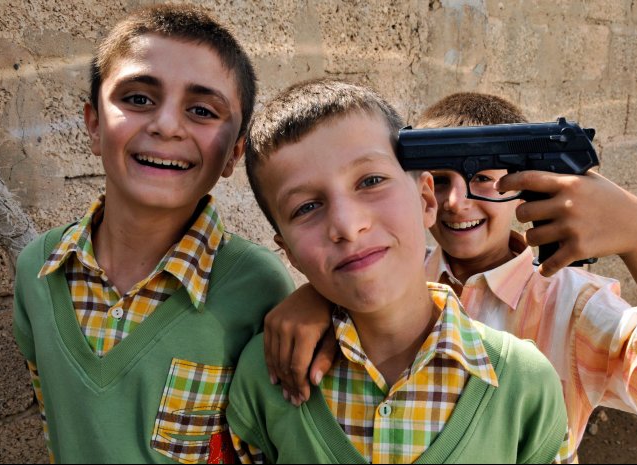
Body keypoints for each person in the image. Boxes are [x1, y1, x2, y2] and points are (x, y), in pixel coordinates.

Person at [264, 92, 637, 462]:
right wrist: (317, 296)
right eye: (441, 180)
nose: (456, 202)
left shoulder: (573, 304)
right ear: (421, 191)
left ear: (526, 183)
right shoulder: (393, 275)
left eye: (481, 177)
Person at [227, 79, 568, 464]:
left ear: (425, 199)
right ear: (288, 251)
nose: (347, 225)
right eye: (306, 207)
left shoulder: (524, 383)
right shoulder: (265, 377)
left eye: (370, 181)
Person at [11, 5, 294, 463]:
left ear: (234, 154)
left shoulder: (260, 286)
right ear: (94, 124)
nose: (165, 126)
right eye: (138, 99)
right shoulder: (39, 272)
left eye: (202, 110)